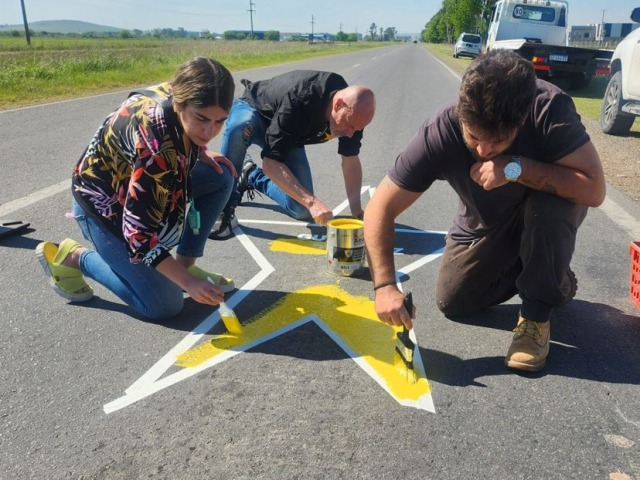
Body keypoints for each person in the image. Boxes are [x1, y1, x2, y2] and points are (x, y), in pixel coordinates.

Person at [364, 50, 606, 372]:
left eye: (497, 142)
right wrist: (384, 285)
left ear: (521, 120)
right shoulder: (440, 131)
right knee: (454, 301)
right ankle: (551, 273)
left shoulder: (549, 108)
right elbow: (381, 206)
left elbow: (594, 189)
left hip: (545, 215)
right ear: (461, 112)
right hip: (487, 224)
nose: (482, 151)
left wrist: (517, 167)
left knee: (546, 206)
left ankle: (536, 315)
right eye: (474, 136)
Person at [36, 57, 238, 321]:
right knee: (164, 305)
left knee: (220, 176)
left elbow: (184, 128)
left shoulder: (186, 91)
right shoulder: (157, 145)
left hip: (138, 184)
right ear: (179, 102)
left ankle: (181, 267)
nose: (210, 130)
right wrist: (188, 283)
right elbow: (138, 234)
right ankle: (73, 258)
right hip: (103, 207)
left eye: (220, 121)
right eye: (201, 119)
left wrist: (199, 150)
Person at [209, 70, 376, 239]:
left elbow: (350, 161)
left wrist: (358, 216)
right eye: (348, 125)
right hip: (256, 111)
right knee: (240, 128)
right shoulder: (302, 98)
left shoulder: (354, 117)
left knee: (302, 209)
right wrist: (312, 201)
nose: (349, 134)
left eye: (356, 129)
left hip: (287, 135)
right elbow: (271, 162)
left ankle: (250, 174)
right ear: (338, 104)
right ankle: (222, 209)